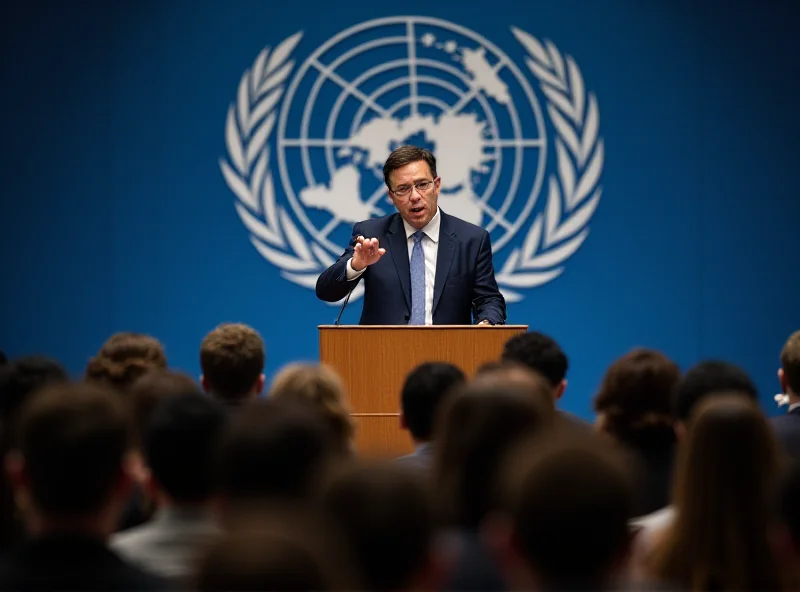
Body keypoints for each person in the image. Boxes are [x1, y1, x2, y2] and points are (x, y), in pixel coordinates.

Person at [315, 145, 506, 326]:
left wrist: (487, 322)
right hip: (383, 354)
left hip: (447, 354)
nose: (415, 196)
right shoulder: (371, 235)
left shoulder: (471, 239)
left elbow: (488, 299)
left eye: (422, 184)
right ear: (391, 196)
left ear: (437, 185)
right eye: (403, 189)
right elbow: (326, 291)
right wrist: (357, 265)